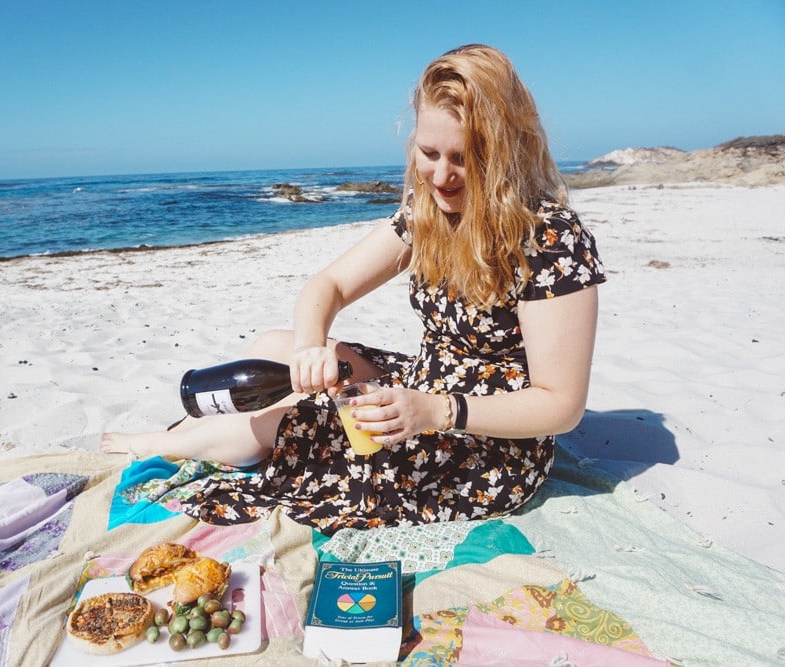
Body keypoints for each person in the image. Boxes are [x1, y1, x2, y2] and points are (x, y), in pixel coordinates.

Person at [101, 44, 605, 534]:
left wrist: (435, 411)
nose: (442, 175)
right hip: (424, 385)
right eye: (429, 153)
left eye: (464, 158)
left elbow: (561, 405)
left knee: (277, 427)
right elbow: (329, 285)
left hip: (487, 441)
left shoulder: (549, 239)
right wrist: (309, 346)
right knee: (273, 348)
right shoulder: (427, 211)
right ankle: (192, 432)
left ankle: (161, 443)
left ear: (505, 152)